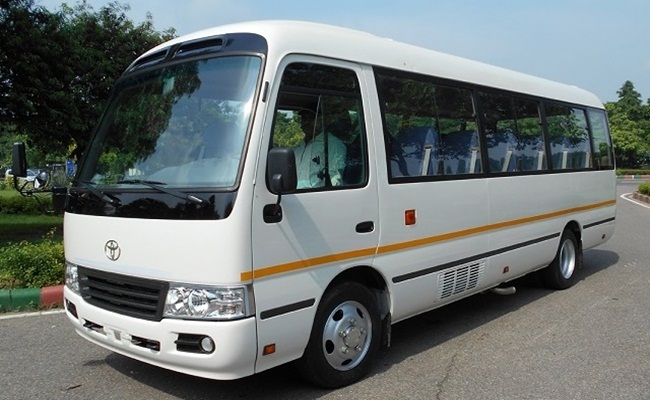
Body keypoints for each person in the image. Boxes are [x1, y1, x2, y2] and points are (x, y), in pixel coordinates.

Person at [294, 109, 347, 189]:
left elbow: (335, 180)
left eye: (312, 118)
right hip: (292, 196)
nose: (307, 122)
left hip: (317, 197)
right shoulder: (298, 147)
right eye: (304, 119)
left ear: (322, 121)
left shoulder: (332, 144)